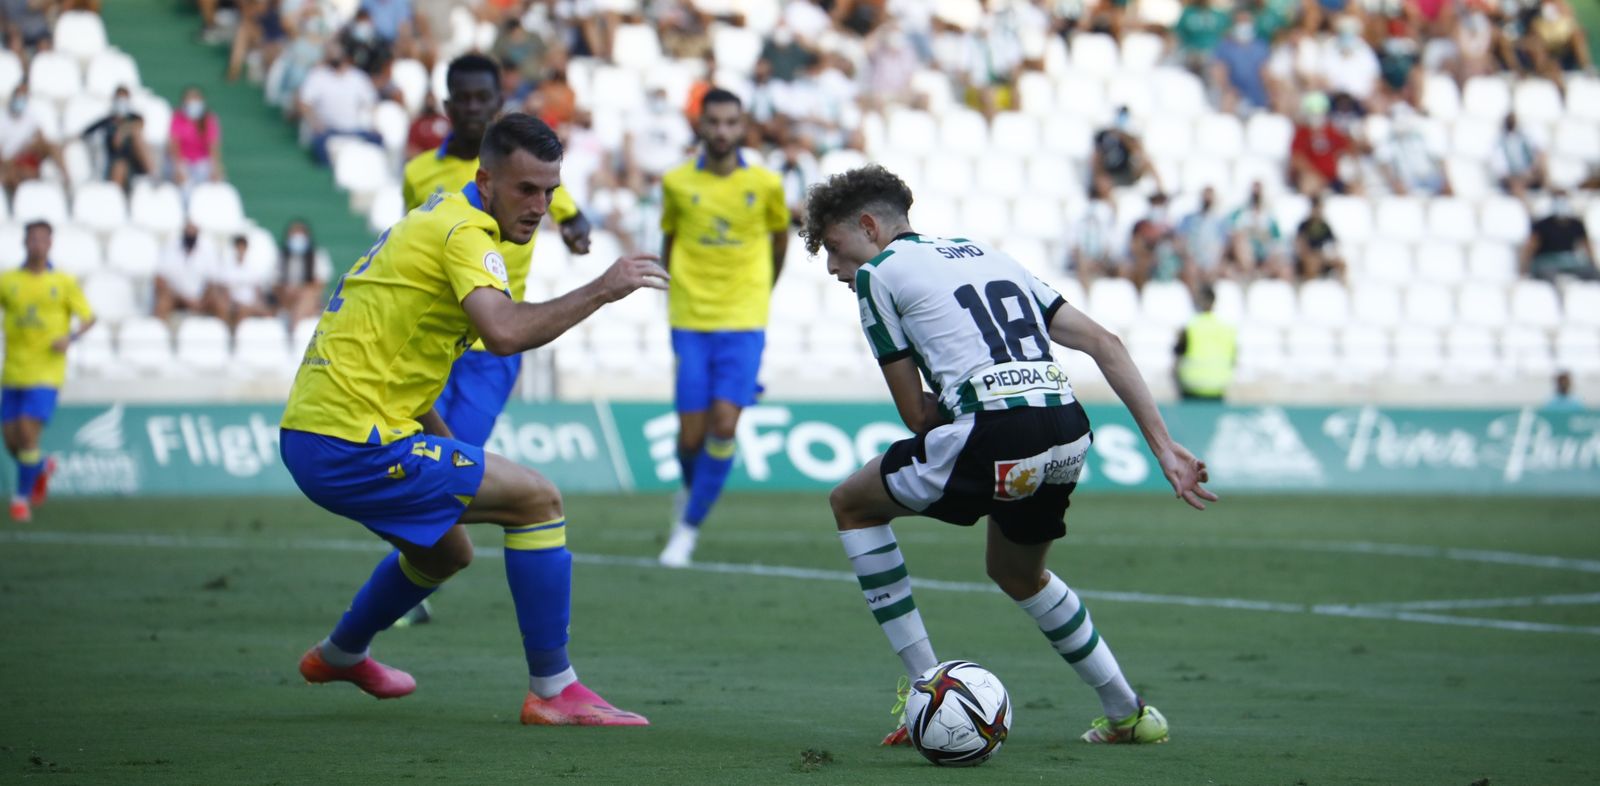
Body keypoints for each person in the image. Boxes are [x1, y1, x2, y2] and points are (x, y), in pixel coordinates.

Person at [798, 164, 1213, 748]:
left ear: (869, 225)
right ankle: (1129, 713)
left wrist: (973, 400)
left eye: (837, 249)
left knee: (852, 504)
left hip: (994, 432)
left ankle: (927, 688)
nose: (836, 269)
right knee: (1017, 572)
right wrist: (1164, 447)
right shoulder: (984, 253)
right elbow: (1104, 343)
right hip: (1068, 430)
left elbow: (916, 417)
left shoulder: (880, 276)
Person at [281, 113, 665, 724]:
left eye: (550, 191)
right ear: (485, 181)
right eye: (525, 189)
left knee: (445, 554)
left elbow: (397, 352)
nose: (540, 206)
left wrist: (442, 439)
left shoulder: (434, 217)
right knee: (537, 499)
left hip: (320, 432)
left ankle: (342, 653)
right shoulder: (464, 234)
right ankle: (553, 690)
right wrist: (604, 287)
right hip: (352, 442)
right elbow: (505, 333)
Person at [655, 89, 790, 568]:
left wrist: (759, 293)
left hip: (744, 319)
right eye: (713, 122)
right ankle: (691, 496)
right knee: (690, 437)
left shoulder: (766, 184)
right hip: (690, 318)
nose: (722, 131)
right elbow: (669, 240)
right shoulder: (675, 183)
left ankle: (686, 531)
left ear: (743, 125)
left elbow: (780, 241)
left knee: (725, 424)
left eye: (731, 122)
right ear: (700, 125)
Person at [0, 221, 96, 522]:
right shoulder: (8, 280)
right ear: (24, 242)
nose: (38, 244)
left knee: (28, 434)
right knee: (12, 441)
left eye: (43, 239)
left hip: (46, 371)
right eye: (33, 239)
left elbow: (89, 317)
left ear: (50, 244)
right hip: (13, 369)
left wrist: (71, 337)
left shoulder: (63, 282)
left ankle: (20, 500)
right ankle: (40, 468)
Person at [297, 42, 383, 166]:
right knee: (320, 145)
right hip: (328, 130)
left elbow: (372, 104)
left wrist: (375, 125)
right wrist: (315, 123)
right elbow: (304, 103)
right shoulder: (318, 76)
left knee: (377, 140)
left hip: (356, 129)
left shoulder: (358, 77)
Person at [81, 86, 154, 191]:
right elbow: (86, 132)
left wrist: (122, 131)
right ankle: (115, 200)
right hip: (114, 163)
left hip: (135, 163)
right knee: (120, 165)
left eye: (124, 100)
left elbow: (140, 123)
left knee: (137, 136)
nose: (121, 103)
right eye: (119, 99)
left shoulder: (134, 118)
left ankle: (152, 175)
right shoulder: (107, 121)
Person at [1173, 284, 1236, 400]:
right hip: (1218, 385)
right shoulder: (1227, 328)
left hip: (1192, 385)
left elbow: (1177, 354)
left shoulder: (1190, 327)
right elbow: (1234, 358)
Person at [1289, 92, 1359, 195]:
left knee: (1356, 187)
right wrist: (1314, 174)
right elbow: (1296, 158)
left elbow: (1348, 149)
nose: (1317, 115)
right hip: (1314, 177)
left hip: (1334, 178)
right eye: (1313, 112)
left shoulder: (1332, 131)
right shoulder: (1302, 133)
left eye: (1320, 111)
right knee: (1308, 184)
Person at [1521, 191, 1598, 283]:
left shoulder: (1576, 224)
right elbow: (1531, 247)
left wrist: (1593, 263)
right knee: (1549, 276)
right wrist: (1524, 268)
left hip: (1568, 261)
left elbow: (1587, 245)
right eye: (1558, 200)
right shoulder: (1542, 224)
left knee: (1592, 273)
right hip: (1546, 261)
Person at [0, 86, 63, 196]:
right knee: (15, 173)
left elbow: (41, 137)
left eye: (23, 99)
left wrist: (30, 147)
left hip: (26, 155)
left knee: (53, 146)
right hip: (10, 161)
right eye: (19, 98)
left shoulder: (30, 116)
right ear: (13, 98)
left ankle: (66, 180)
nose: (20, 102)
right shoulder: (2, 119)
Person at [1091, 106, 1162, 200]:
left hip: (1128, 172)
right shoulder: (1103, 136)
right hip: (1112, 175)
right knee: (1102, 180)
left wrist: (1123, 137)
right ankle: (1114, 210)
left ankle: (1161, 192)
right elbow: (1097, 159)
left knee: (1147, 163)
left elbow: (1139, 152)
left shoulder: (1130, 136)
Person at [155, 222, 221, 320]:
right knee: (163, 304)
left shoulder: (208, 250)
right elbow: (160, 278)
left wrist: (202, 300)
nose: (190, 233)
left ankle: (222, 333)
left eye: (193, 230)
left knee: (220, 303)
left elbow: (213, 281)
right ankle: (158, 332)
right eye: (188, 230)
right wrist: (183, 298)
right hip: (176, 297)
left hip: (201, 298)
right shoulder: (171, 247)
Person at [168, 85, 225, 197]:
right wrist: (178, 166)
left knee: (214, 180)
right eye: (190, 99)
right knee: (183, 184)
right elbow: (174, 144)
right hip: (183, 160)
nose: (193, 102)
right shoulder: (177, 118)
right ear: (184, 101)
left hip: (202, 162)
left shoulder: (209, 119)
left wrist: (215, 167)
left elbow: (213, 145)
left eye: (196, 99)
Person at [209, 235, 274, 327]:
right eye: (238, 247)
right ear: (234, 248)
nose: (241, 250)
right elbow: (223, 290)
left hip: (249, 303)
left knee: (266, 313)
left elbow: (257, 290)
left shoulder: (253, 267)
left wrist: (258, 303)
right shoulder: (227, 267)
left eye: (243, 247)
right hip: (233, 303)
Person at [274, 219, 331, 322]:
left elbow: (320, 283)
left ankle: (295, 325)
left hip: (309, 298)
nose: (297, 237)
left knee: (307, 296)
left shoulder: (317, 255)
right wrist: (288, 290)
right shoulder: (280, 256)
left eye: (300, 234)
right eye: (294, 233)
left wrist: (301, 290)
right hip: (285, 298)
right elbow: (275, 282)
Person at [1491, 113, 1546, 203]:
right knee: (1516, 183)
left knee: (1543, 159)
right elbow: (1501, 168)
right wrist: (1515, 176)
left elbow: (1533, 156)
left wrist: (1530, 170)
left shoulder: (1523, 138)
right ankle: (1526, 209)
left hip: (1527, 173)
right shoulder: (1500, 141)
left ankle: (1551, 195)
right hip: (1511, 177)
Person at [1294, 193, 1346, 280]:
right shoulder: (1304, 225)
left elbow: (1333, 243)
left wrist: (1327, 255)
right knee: (1311, 262)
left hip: (1322, 256)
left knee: (1341, 263)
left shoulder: (1325, 226)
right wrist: (1311, 255)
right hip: (1309, 257)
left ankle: (1342, 286)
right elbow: (1300, 245)